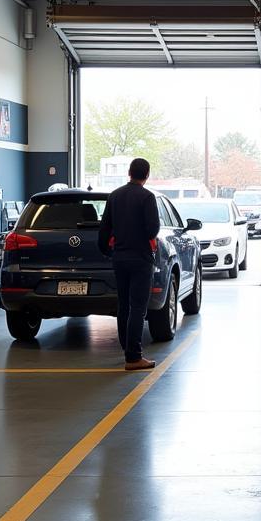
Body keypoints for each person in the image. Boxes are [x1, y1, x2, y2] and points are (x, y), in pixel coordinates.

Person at [98, 158, 160, 371]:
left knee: (123, 305)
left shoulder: (114, 196)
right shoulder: (147, 197)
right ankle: (133, 357)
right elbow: (153, 230)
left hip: (120, 258)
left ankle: (126, 349)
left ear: (129, 172)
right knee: (138, 308)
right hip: (141, 259)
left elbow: (104, 229)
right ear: (147, 174)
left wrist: (107, 251)